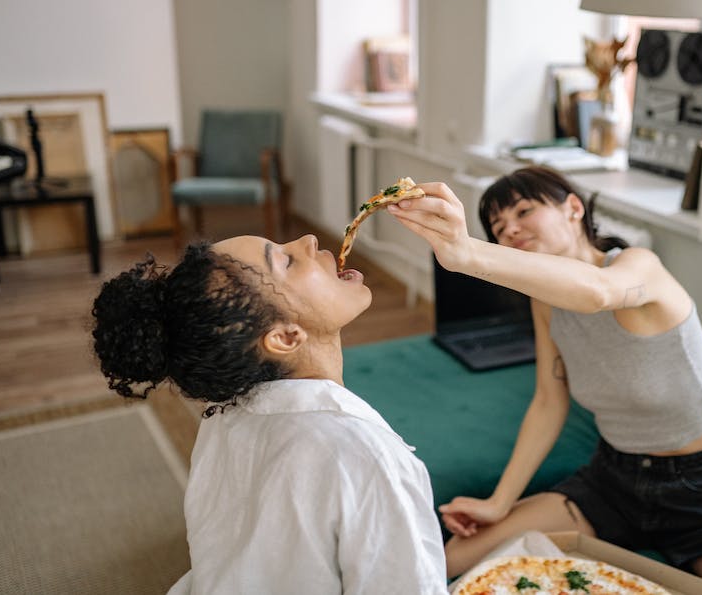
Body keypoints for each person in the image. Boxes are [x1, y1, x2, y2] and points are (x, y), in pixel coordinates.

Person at [388, 166, 702, 595]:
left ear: (574, 208)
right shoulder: (546, 303)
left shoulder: (638, 268)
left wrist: (467, 253)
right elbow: (547, 402)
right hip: (613, 479)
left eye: (524, 211)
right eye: (499, 228)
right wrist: (498, 502)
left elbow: (598, 293)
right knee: (445, 561)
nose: (512, 230)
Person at [91, 234, 448, 594]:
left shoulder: (223, 418)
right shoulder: (367, 457)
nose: (308, 240)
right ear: (285, 338)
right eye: (287, 261)